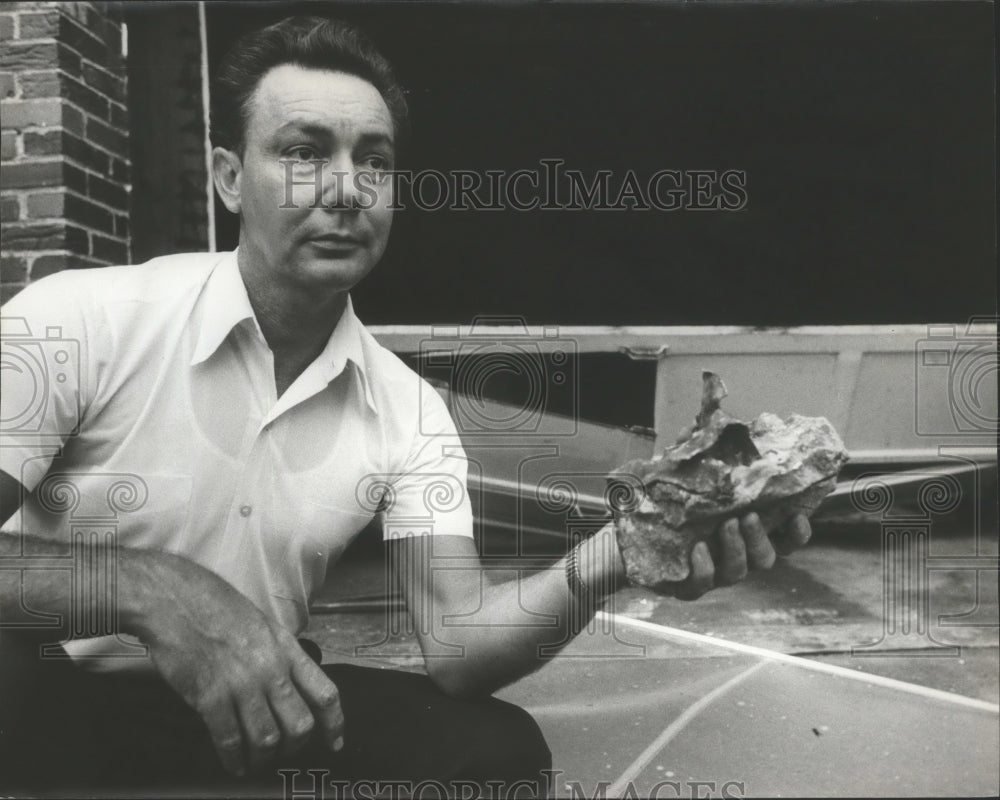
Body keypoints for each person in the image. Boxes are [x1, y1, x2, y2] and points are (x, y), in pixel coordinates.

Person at [0, 15, 812, 798]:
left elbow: (459, 646)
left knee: (492, 755)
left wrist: (625, 548)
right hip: (46, 693)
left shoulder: (407, 410)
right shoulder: (81, 320)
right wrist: (157, 593)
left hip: (256, 708)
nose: (348, 189)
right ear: (227, 178)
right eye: (304, 152)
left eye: (375, 161)